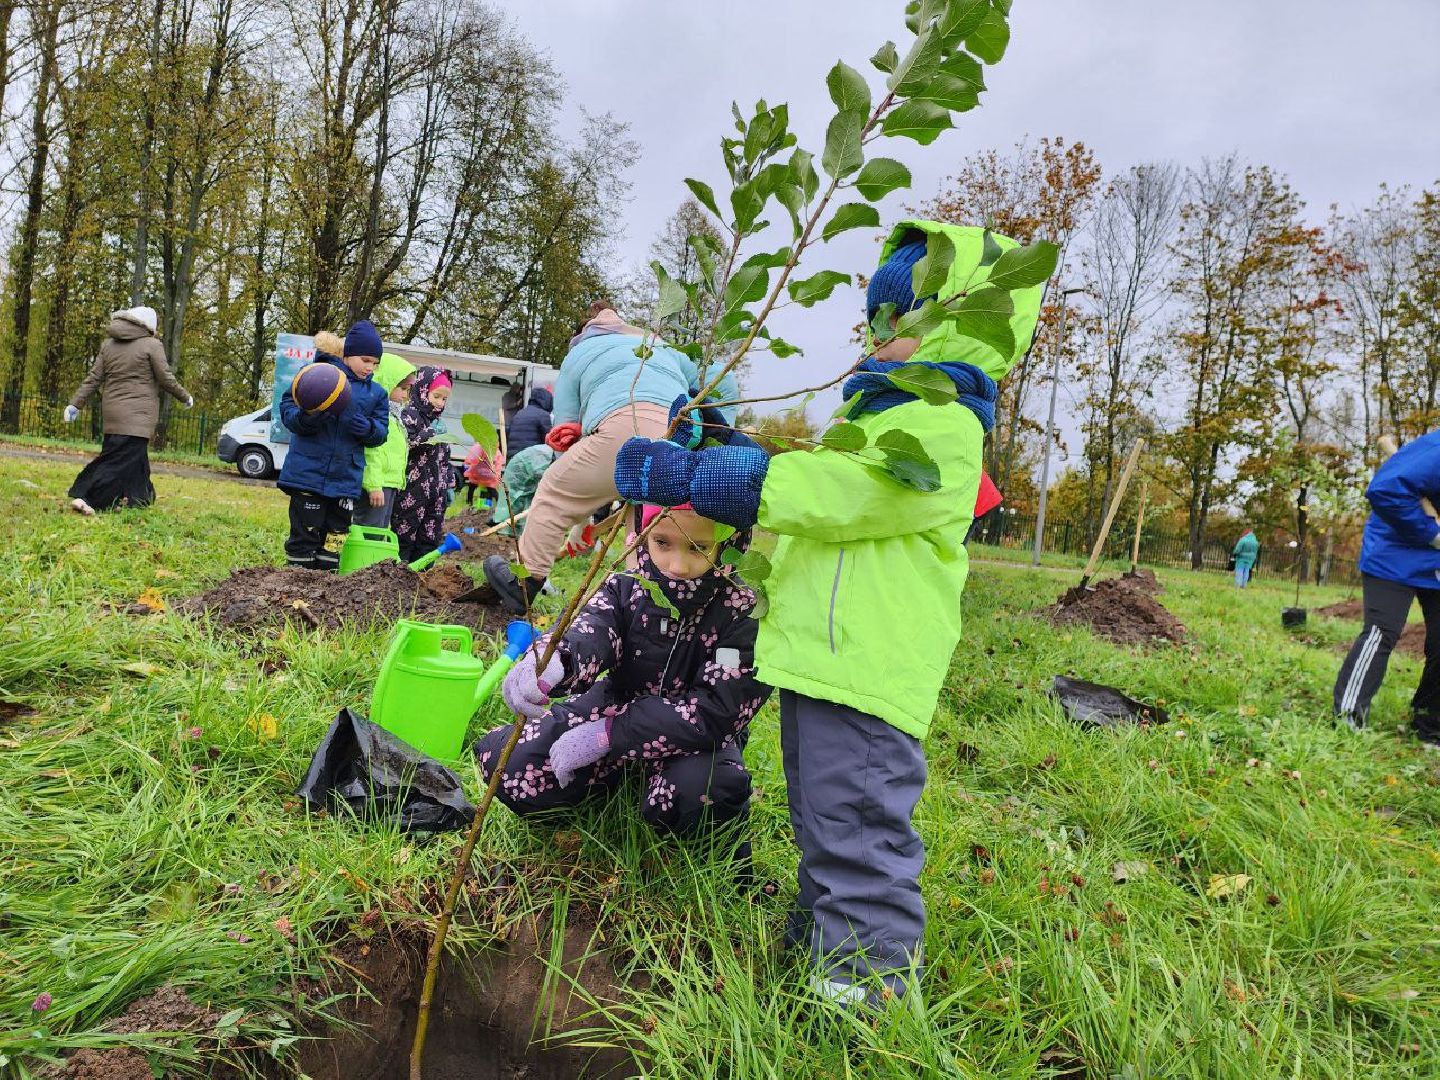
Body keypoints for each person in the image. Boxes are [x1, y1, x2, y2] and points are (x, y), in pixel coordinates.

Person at [614, 221, 1043, 1009]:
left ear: (956, 326)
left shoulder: (945, 427)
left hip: (869, 670)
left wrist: (732, 481)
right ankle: (817, 950)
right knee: (823, 818)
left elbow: (849, 496)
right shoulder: (878, 421)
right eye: (873, 318)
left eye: (900, 319)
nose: (877, 335)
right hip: (823, 659)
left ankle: (862, 998)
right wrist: (725, 450)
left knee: (859, 831)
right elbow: (810, 515)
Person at [476, 505, 771, 841]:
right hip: (617, 701)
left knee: (703, 792)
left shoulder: (742, 610)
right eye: (662, 542)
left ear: (729, 544)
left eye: (698, 547)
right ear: (643, 537)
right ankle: (609, 781)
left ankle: (665, 794)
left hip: (696, 736)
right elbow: (594, 626)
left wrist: (610, 734)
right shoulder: (627, 586)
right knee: (514, 765)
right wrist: (555, 659)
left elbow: (719, 710)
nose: (677, 565)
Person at [481, 303, 739, 612]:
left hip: (621, 424)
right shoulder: (655, 345)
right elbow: (718, 376)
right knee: (643, 519)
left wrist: (578, 510)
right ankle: (648, 601)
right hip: (680, 433)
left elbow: (566, 431)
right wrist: (723, 425)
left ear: (583, 333)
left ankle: (524, 583)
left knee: (554, 490)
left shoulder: (578, 354)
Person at [1333, 430, 1440, 746]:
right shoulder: (1436, 450)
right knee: (1383, 630)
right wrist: (1431, 533)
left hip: (1434, 563)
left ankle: (1430, 726)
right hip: (1394, 553)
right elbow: (1386, 489)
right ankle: (1348, 718)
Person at [276, 324, 389, 570]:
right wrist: (309, 417)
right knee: (305, 531)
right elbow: (289, 411)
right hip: (308, 474)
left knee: (336, 535)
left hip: (345, 478)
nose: (369, 367)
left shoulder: (376, 394)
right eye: (365, 360)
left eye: (375, 363)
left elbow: (381, 433)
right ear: (347, 354)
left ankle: (326, 584)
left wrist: (367, 428)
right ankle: (297, 578)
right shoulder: (315, 376)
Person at [63, 305, 192, 514]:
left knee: (135, 460)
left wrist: (74, 404)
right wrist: (185, 397)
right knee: (116, 461)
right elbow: (165, 378)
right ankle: (86, 496)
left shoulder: (108, 345)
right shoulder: (152, 345)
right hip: (137, 416)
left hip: (113, 413)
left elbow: (93, 378)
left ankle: (138, 499)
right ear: (150, 326)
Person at [391, 366, 455, 564]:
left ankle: (422, 578)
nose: (440, 403)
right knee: (405, 533)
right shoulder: (408, 416)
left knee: (430, 536)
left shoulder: (438, 422)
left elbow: (444, 458)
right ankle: (399, 574)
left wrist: (449, 483)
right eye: (436, 396)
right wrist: (429, 435)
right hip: (412, 490)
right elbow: (405, 447)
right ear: (422, 390)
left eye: (444, 399)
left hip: (436, 492)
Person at [354, 352, 416, 529]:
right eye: (402, 389)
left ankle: (375, 557)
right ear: (386, 383)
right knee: (369, 530)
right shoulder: (379, 415)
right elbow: (372, 451)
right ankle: (364, 558)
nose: (405, 395)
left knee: (380, 531)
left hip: (388, 484)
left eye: (407, 390)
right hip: (377, 485)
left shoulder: (394, 416)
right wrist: (374, 485)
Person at [490, 442, 557, 536]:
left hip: (525, 472)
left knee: (524, 502)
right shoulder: (544, 455)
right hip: (520, 475)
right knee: (513, 501)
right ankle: (505, 530)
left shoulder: (549, 453)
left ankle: (519, 531)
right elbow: (539, 473)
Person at [505, 385, 553, 457]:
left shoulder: (519, 413)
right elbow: (548, 440)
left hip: (513, 457)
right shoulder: (543, 415)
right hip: (530, 458)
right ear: (547, 401)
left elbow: (509, 434)